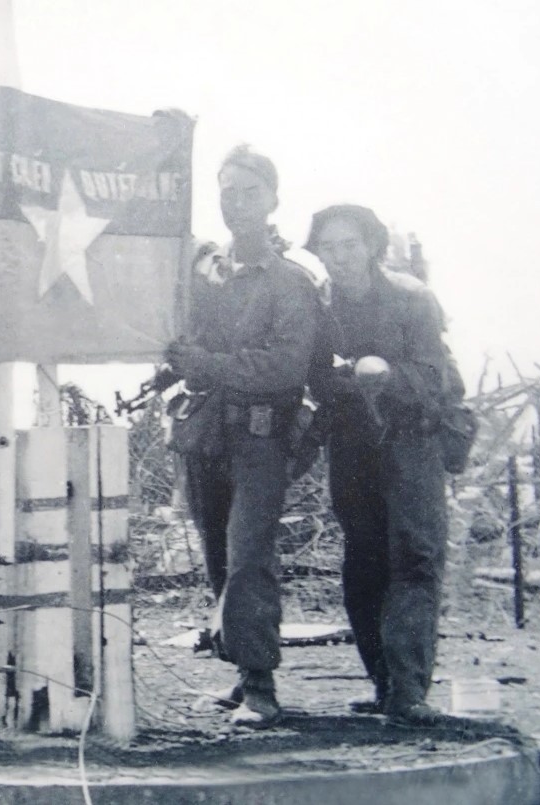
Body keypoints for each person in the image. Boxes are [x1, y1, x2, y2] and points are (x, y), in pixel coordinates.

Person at [164, 145, 319, 728]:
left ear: (273, 200)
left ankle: (260, 685)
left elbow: (286, 367)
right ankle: (239, 667)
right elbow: (181, 337)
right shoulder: (205, 274)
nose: (238, 203)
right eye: (228, 191)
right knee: (218, 556)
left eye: (250, 192)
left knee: (249, 558)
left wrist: (207, 364)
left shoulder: (292, 282)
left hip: (261, 439)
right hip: (205, 435)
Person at [305, 204, 453, 726]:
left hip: (412, 443)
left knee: (413, 557)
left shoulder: (412, 298)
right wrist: (337, 383)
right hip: (352, 447)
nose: (339, 257)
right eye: (328, 248)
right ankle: (384, 683)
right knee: (364, 563)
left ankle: (409, 690)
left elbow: (434, 376)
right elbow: (313, 376)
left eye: (349, 245)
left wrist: (385, 375)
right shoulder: (320, 307)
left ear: (371, 246)